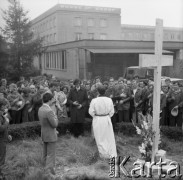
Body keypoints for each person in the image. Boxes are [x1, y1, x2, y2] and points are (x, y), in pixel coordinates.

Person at [89, 85, 117, 159]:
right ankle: (109, 153)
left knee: (99, 137)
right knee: (108, 137)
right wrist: (107, 116)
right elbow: (112, 112)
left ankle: (102, 154)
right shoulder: (109, 100)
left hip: (98, 119)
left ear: (98, 92)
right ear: (105, 92)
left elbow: (91, 112)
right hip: (106, 119)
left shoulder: (94, 100)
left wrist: (96, 116)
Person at [38, 93, 58, 175]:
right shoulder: (49, 111)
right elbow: (54, 124)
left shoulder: (40, 108)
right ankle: (49, 172)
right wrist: (55, 117)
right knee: (51, 154)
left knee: (45, 154)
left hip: (44, 133)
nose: (53, 101)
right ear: (49, 100)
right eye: (52, 99)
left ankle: (43, 169)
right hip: (50, 135)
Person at [0, 99, 12, 179]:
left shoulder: (1, 115)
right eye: (4, 105)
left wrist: (7, 135)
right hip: (1, 140)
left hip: (3, 138)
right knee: (1, 159)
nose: (5, 107)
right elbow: (0, 129)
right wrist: (7, 121)